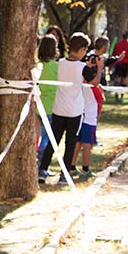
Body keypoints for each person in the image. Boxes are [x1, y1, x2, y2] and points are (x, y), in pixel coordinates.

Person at [39, 32, 90, 185]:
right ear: (81, 49)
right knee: (70, 143)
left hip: (59, 108)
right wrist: (98, 67)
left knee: (53, 140)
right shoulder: (82, 67)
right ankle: (64, 174)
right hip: (74, 110)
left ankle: (42, 170)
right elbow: (93, 81)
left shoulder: (60, 63)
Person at [71, 59, 105, 178]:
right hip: (89, 119)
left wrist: (87, 65)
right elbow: (101, 100)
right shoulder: (94, 87)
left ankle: (72, 166)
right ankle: (85, 169)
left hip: (79, 117)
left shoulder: (80, 84)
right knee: (87, 146)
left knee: (77, 144)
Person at [35, 33, 60, 183]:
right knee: (46, 138)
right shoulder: (57, 67)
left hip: (38, 106)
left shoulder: (37, 66)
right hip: (51, 107)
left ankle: (40, 166)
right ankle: (41, 167)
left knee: (39, 136)